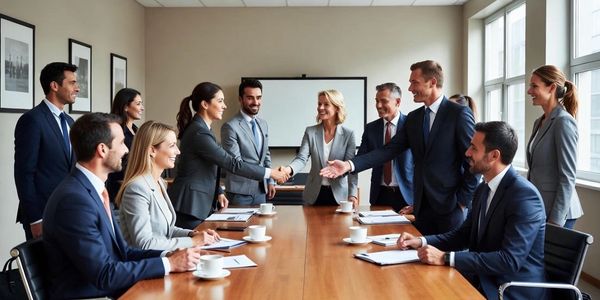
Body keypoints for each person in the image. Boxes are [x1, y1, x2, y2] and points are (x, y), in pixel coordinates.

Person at [43, 113, 202, 299]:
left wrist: (168, 255)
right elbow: (104, 275)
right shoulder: (73, 201)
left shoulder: (91, 190)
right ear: (102, 150)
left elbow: (123, 252)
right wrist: (170, 264)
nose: (127, 149)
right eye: (120, 143)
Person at [321, 60, 478, 235]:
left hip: (451, 209)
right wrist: (348, 165)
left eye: (414, 82)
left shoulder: (458, 114)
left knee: (448, 260)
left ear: (432, 82)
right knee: (420, 259)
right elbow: (388, 150)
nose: (410, 88)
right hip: (422, 209)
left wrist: (462, 201)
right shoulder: (414, 118)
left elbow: (473, 160)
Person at [397, 121, 546, 300]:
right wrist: (420, 241)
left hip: (509, 289)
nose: (467, 153)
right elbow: (463, 235)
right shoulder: (483, 189)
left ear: (493, 155)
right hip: (482, 277)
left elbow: (509, 260)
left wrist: (445, 258)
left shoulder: (524, 196)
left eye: (474, 148)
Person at [169, 82, 288, 229]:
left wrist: (218, 191)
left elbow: (208, 167)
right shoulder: (200, 132)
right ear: (205, 104)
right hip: (190, 204)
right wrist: (271, 173)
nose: (224, 106)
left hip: (197, 203)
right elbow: (232, 163)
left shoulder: (204, 129)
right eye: (220, 101)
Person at [117, 121, 221, 250]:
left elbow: (166, 230)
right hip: (150, 264)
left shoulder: (160, 182)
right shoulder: (137, 188)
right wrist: (193, 242)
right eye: (172, 146)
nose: (178, 152)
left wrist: (192, 234)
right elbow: (144, 244)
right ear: (152, 150)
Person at [14, 62, 79, 240]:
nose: (77, 88)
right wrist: (35, 219)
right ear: (54, 85)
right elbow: (24, 174)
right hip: (43, 215)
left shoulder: (70, 122)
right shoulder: (32, 120)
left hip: (69, 210)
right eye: (72, 83)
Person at [526, 65, 583, 228]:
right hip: (540, 208)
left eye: (534, 86)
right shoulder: (539, 122)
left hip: (558, 213)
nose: (529, 91)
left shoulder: (563, 122)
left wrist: (556, 220)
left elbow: (568, 176)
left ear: (551, 88)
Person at [279, 90, 358, 207]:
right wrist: (288, 170)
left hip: (340, 196)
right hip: (313, 195)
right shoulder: (310, 132)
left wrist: (353, 194)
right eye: (319, 104)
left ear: (337, 108)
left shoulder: (348, 134)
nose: (320, 107)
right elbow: (301, 159)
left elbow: (351, 167)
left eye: (326, 104)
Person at [357, 83, 413, 211]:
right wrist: (345, 165)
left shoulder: (411, 124)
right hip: (379, 194)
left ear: (397, 102)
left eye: (383, 101)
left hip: (407, 196)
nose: (378, 105)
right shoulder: (370, 128)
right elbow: (361, 158)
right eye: (377, 101)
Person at [221, 79, 276, 205]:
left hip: (261, 190)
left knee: (263, 225)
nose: (255, 102)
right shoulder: (230, 126)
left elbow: (265, 154)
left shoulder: (263, 124)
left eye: (259, 97)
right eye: (250, 98)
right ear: (240, 99)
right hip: (239, 192)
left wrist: (270, 181)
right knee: (240, 226)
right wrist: (270, 173)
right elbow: (236, 163)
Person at [106, 88, 144, 204]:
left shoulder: (136, 130)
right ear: (126, 107)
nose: (142, 108)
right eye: (138, 104)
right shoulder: (117, 131)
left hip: (136, 184)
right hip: (120, 188)